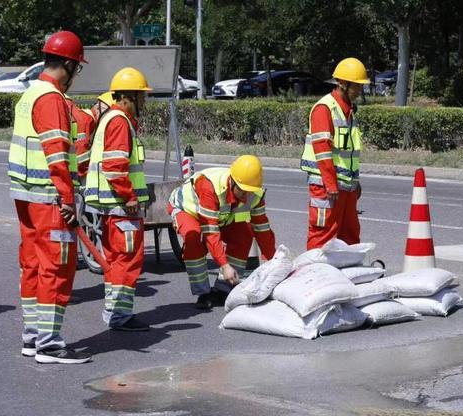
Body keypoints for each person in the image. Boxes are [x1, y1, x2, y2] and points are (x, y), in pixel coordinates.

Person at [7, 31, 91, 364]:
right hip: (50, 198)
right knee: (56, 267)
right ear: (69, 65)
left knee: (32, 264)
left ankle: (32, 338)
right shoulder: (52, 99)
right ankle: (50, 343)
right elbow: (57, 155)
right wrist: (68, 199)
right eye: (76, 68)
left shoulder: (30, 94)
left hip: (26, 195)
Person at [84, 67, 151, 331]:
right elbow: (114, 167)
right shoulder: (120, 122)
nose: (144, 102)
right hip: (121, 207)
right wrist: (130, 197)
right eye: (141, 96)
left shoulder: (111, 119)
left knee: (116, 261)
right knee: (127, 261)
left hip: (111, 207)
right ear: (127, 97)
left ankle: (114, 313)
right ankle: (120, 316)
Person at [167, 155, 276, 309]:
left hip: (220, 216)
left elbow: (262, 229)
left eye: (250, 192)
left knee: (243, 236)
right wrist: (224, 265)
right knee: (194, 240)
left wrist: (273, 262)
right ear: (232, 181)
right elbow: (211, 231)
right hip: (187, 210)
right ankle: (203, 293)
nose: (246, 197)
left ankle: (224, 289)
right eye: (243, 191)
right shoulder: (209, 186)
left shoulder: (255, 194)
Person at [300, 57, 369, 250]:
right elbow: (322, 151)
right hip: (326, 186)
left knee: (350, 234)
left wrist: (355, 183)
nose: (358, 91)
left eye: (360, 86)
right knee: (324, 235)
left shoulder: (348, 110)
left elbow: (348, 154)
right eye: (356, 86)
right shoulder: (325, 108)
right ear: (341, 83)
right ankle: (314, 276)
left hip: (345, 187)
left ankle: (346, 274)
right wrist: (331, 184)